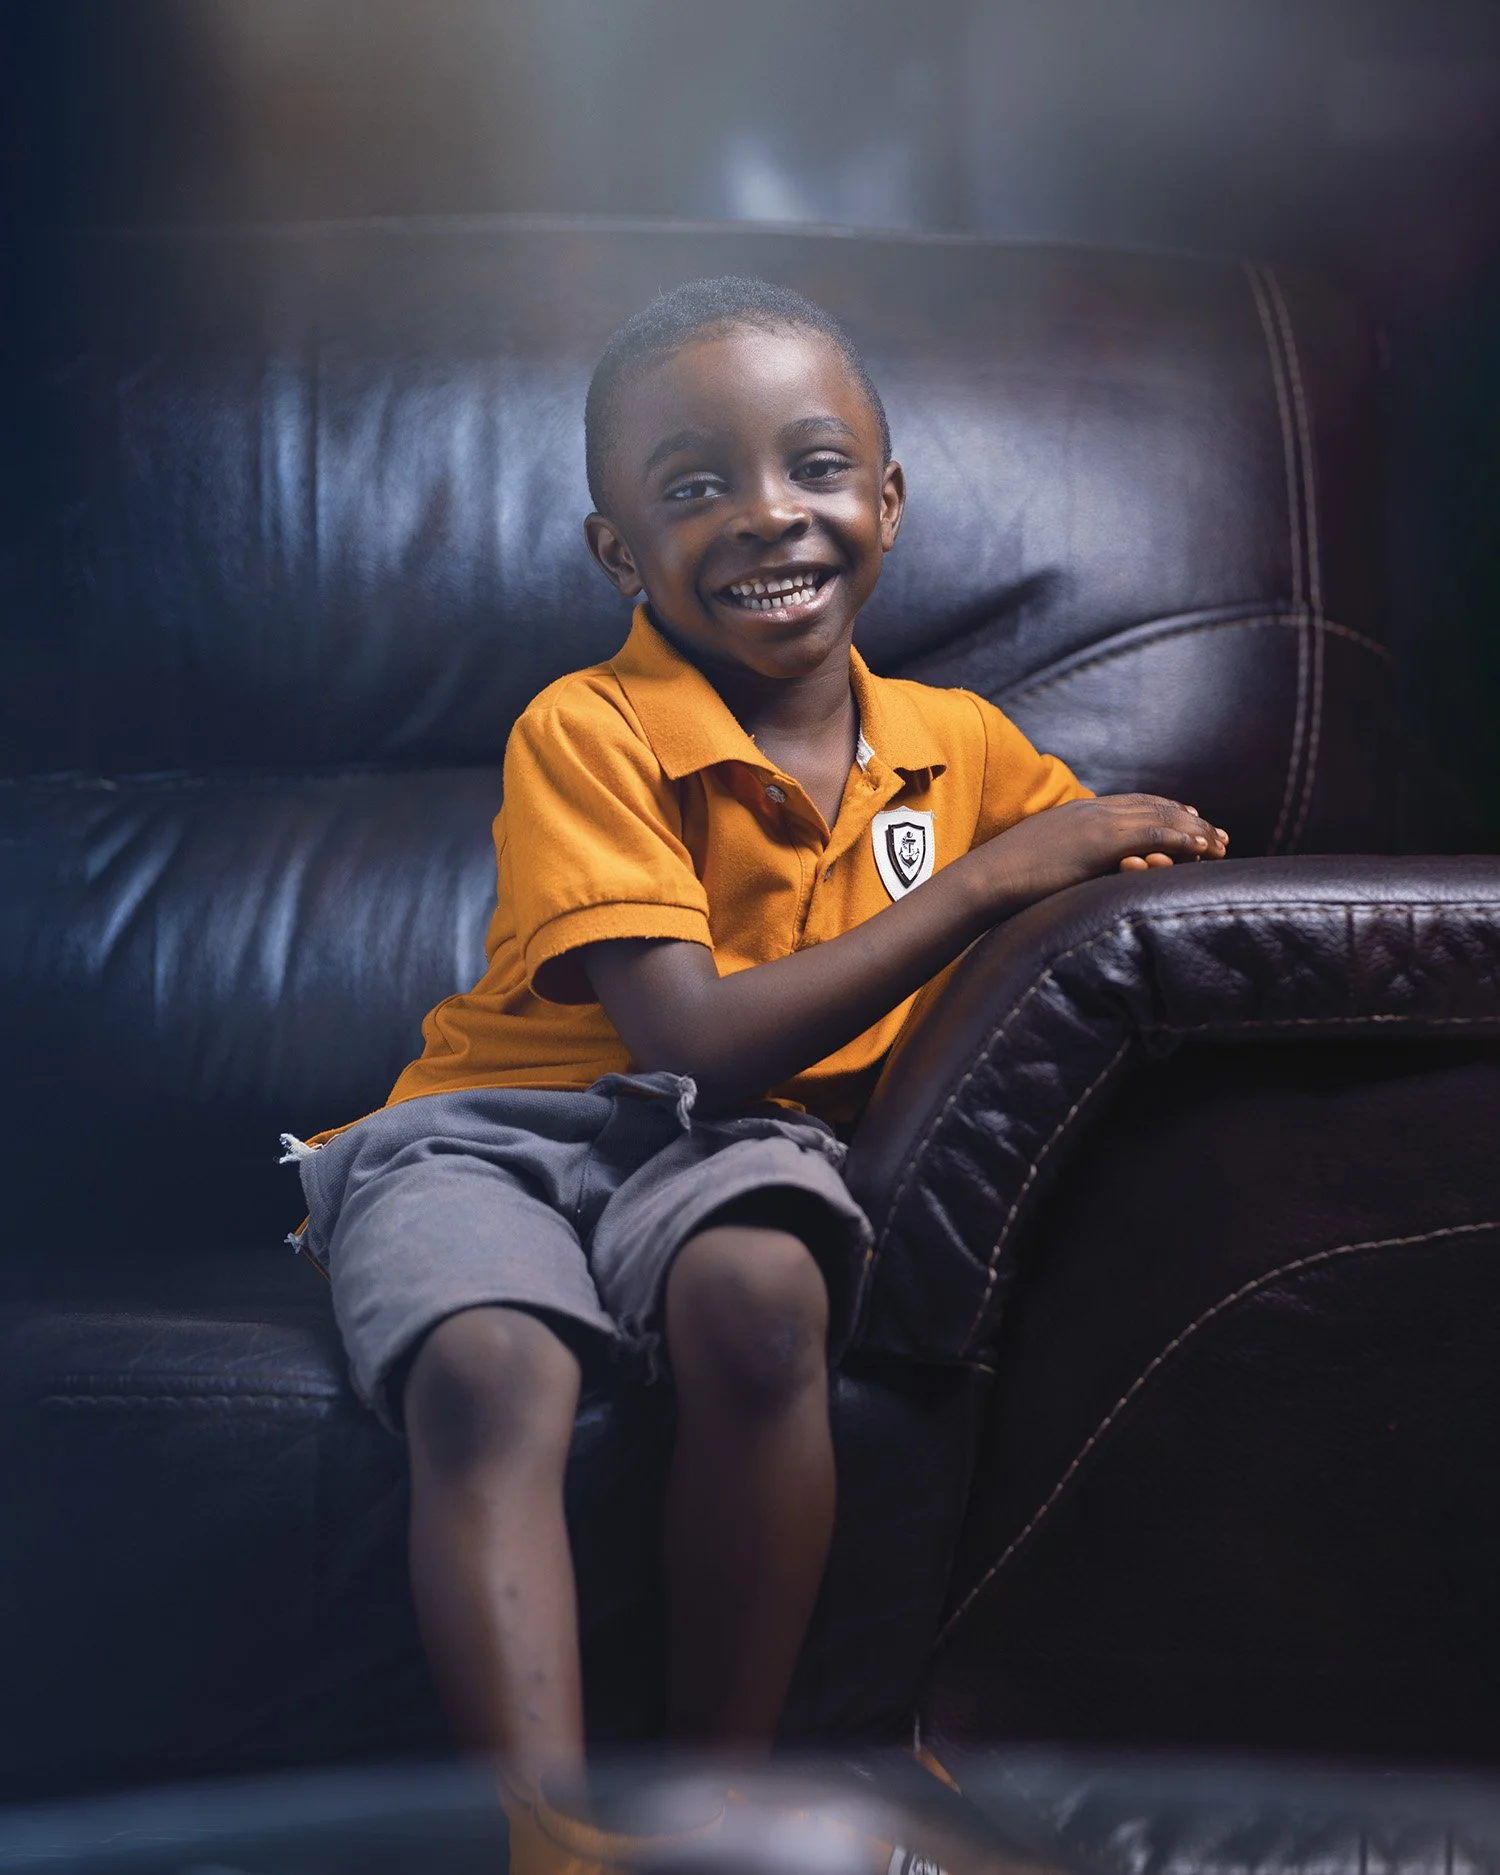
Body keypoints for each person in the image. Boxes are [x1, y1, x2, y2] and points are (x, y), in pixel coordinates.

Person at [283, 276, 1228, 1870]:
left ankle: (714, 1800)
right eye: (696, 486)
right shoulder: (584, 726)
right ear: (619, 552)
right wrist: (984, 884)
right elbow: (691, 1041)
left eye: (817, 467)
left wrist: (1142, 855)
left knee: (766, 1287)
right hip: (495, 1134)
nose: (769, 515)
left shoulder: (960, 747)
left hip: (739, 1148)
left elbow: (1118, 885)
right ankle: (547, 1834)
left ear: (888, 501)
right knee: (491, 1363)